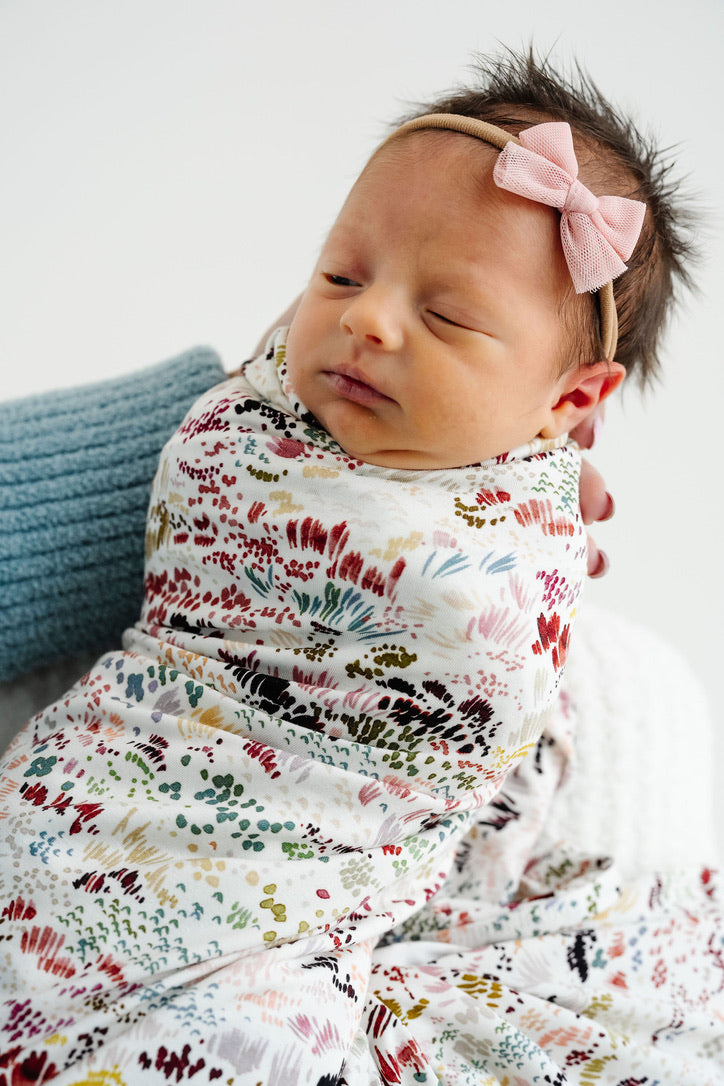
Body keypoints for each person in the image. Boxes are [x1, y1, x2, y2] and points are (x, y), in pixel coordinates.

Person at [1, 51, 720, 1086]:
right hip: (98, 798)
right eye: (340, 275)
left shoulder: (520, 541)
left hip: (291, 903)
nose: (364, 320)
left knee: (258, 1043)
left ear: (570, 404)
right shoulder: (254, 415)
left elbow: (489, 714)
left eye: (447, 318)